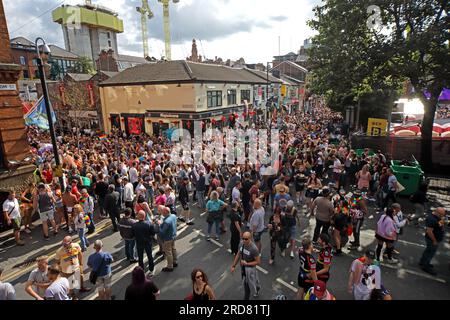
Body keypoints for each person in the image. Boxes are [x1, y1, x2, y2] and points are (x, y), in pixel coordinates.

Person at [230, 231, 261, 300]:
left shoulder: (254, 249)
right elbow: (238, 254)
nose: (244, 240)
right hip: (243, 269)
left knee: (250, 285)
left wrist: (247, 263)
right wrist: (233, 266)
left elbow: (258, 262)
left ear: (250, 239)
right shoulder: (241, 244)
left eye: (246, 239)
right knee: (247, 284)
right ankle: (255, 289)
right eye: (243, 238)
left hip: (251, 270)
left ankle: (253, 292)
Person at [419, 207, 446, 275]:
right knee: (430, 253)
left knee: (428, 250)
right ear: (437, 212)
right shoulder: (431, 219)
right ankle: (426, 266)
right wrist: (434, 241)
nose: (442, 216)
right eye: (441, 214)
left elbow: (439, 223)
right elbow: (429, 231)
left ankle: (422, 262)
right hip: (432, 239)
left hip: (436, 238)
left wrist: (442, 222)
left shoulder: (437, 216)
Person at [131, 211, 157, 276]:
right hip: (147, 242)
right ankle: (151, 270)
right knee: (150, 256)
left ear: (138, 217)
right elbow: (153, 233)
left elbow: (132, 235)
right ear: (144, 216)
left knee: (140, 257)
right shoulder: (149, 224)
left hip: (139, 243)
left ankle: (141, 270)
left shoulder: (134, 225)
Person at [158, 206, 178, 272]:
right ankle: (175, 262)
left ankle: (170, 266)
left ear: (166, 212)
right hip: (173, 236)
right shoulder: (173, 216)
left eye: (163, 212)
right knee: (173, 248)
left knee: (168, 252)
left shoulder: (166, 221)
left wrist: (159, 225)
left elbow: (162, 232)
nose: (162, 213)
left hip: (167, 238)